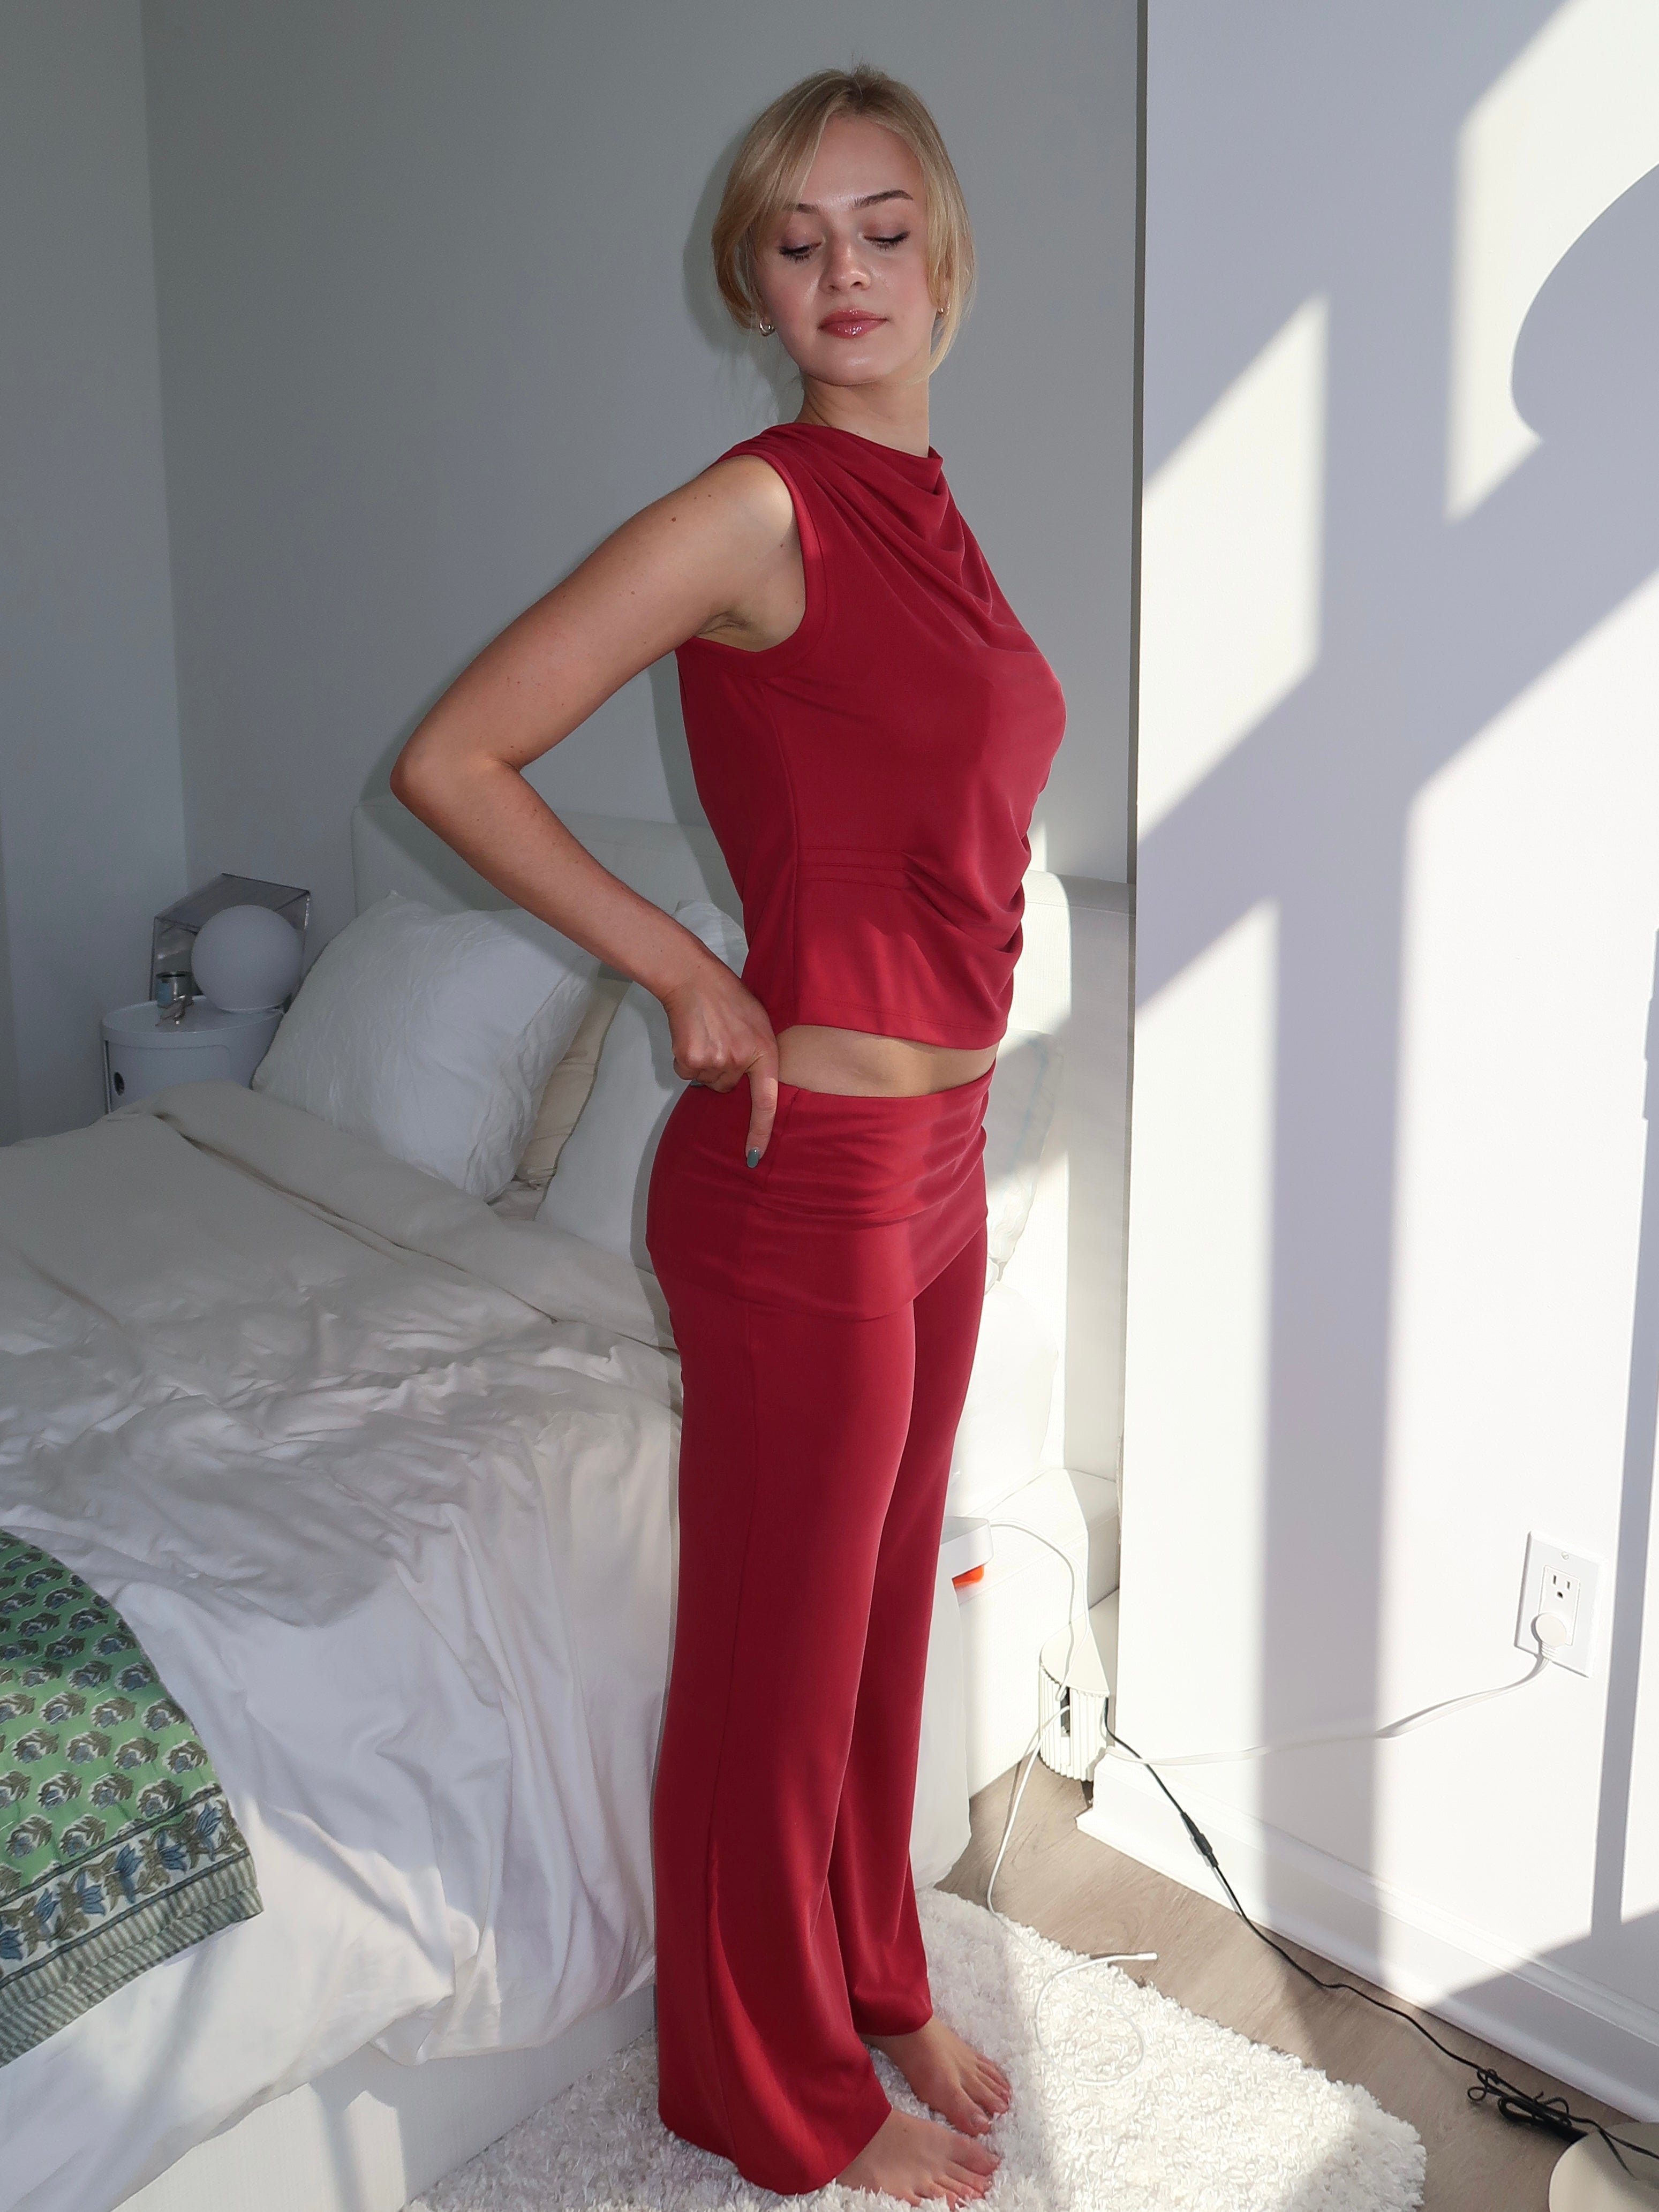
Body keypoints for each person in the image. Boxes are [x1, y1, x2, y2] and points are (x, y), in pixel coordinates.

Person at [391, 63, 1066, 2206]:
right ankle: (763, 2094)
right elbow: (457, 754)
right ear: (752, 286)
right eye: (796, 241)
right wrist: (682, 968)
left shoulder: (936, 517)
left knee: (876, 1630)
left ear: (943, 259)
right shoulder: (759, 510)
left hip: (941, 1167)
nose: (843, 271)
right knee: (778, 1667)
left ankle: (874, 1974)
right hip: (805, 1192)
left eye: (882, 228)